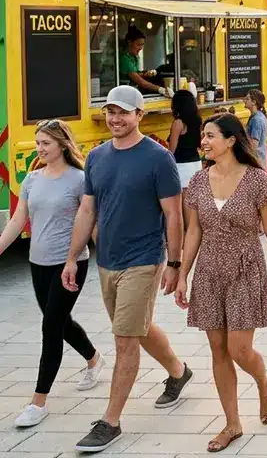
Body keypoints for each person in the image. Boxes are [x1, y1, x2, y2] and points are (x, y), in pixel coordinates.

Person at [61, 86, 191, 453]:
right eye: (110, 111)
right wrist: (73, 257)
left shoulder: (158, 158)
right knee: (137, 327)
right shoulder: (97, 157)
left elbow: (173, 215)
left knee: (124, 339)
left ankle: (110, 422)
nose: (115, 118)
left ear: (140, 115)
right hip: (107, 259)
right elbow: (87, 210)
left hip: (144, 259)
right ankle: (179, 373)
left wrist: (176, 263)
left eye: (123, 112)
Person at [174, 113, 267, 452]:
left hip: (246, 265)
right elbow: (193, 231)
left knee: (238, 348)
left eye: (210, 135)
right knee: (217, 349)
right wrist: (183, 274)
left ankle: (264, 382)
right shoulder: (197, 181)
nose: (204, 141)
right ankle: (232, 423)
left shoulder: (256, 179)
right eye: (203, 135)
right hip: (209, 269)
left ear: (230, 140)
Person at [0, 120, 103, 429]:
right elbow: (18, 220)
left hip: (69, 264)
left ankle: (38, 402)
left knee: (50, 326)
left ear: (61, 144)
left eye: (45, 143)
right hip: (38, 263)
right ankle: (94, 359)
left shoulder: (79, 179)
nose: (40, 148)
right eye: (37, 142)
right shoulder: (31, 179)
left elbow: (89, 221)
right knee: (59, 322)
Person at [168, 90, 203, 198]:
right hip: (196, 164)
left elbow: (171, 150)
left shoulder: (178, 123)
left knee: (183, 209)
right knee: (194, 206)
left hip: (181, 166)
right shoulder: (198, 121)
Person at [119, 27, 169, 97]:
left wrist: (145, 74)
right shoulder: (124, 59)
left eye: (142, 45)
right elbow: (141, 82)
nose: (141, 48)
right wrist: (161, 89)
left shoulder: (134, 57)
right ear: (129, 42)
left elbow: (135, 73)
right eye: (138, 45)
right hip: (124, 95)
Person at [244, 89, 267, 169]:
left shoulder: (256, 120)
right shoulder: (258, 116)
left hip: (256, 161)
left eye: (247, 99)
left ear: (254, 102)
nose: (244, 101)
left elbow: (254, 144)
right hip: (260, 159)